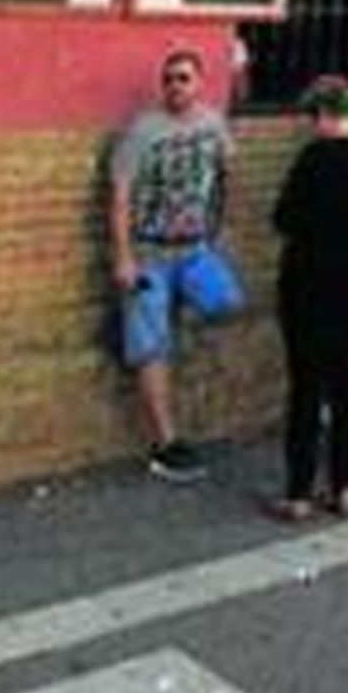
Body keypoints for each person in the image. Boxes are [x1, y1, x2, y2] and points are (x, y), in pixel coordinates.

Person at [108, 48, 236, 482]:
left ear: (200, 82)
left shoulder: (212, 123)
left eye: (183, 78)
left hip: (196, 246)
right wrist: (123, 255)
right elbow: (121, 196)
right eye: (168, 79)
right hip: (150, 251)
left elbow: (223, 177)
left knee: (224, 305)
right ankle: (165, 442)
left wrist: (221, 231)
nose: (175, 87)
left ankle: (200, 408)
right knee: (150, 345)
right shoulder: (143, 131)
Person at [269, 76, 348, 522]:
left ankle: (299, 491)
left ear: (323, 114)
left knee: (305, 386)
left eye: (312, 117)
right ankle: (345, 486)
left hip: (307, 281)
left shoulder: (313, 159)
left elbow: (283, 218)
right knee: (345, 383)